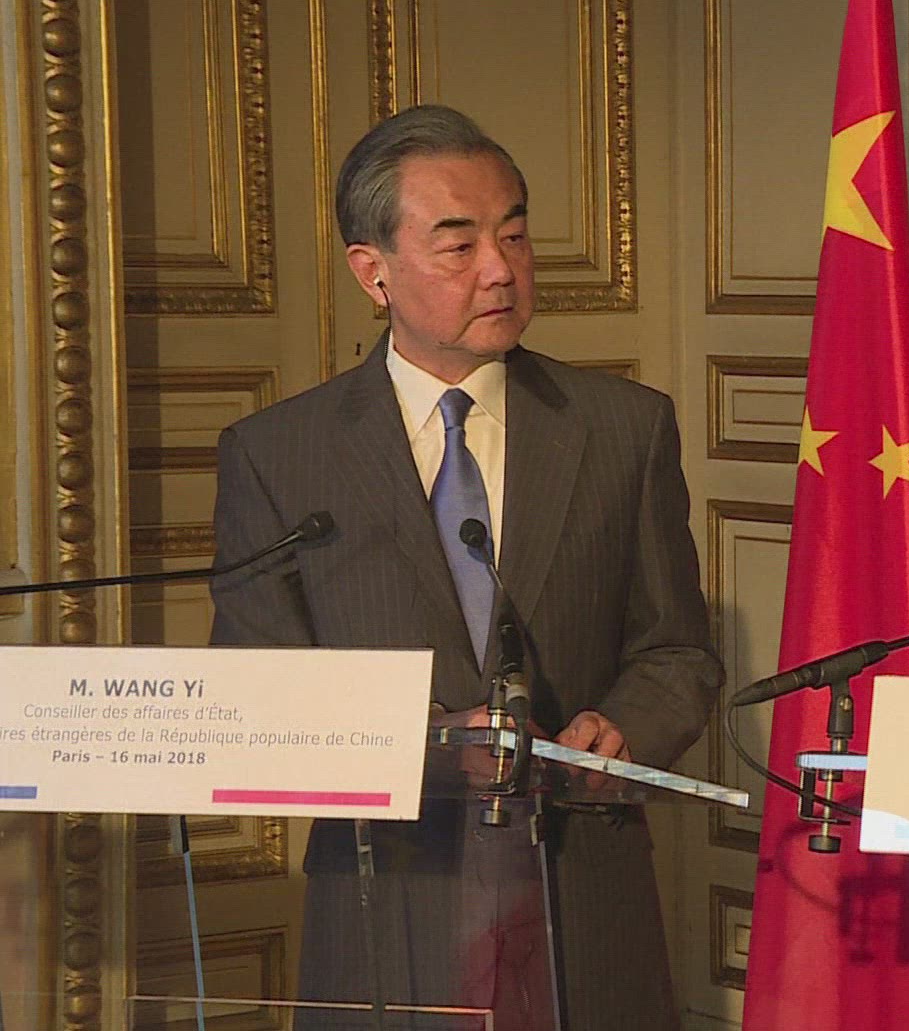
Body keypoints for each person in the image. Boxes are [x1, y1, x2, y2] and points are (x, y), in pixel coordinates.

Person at [210, 104, 721, 1029]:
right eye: (458, 245)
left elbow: (677, 651)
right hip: (387, 900)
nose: (500, 269)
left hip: (581, 890)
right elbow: (259, 699)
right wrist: (433, 743)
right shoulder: (280, 455)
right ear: (373, 271)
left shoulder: (623, 428)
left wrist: (626, 729)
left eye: (514, 235)